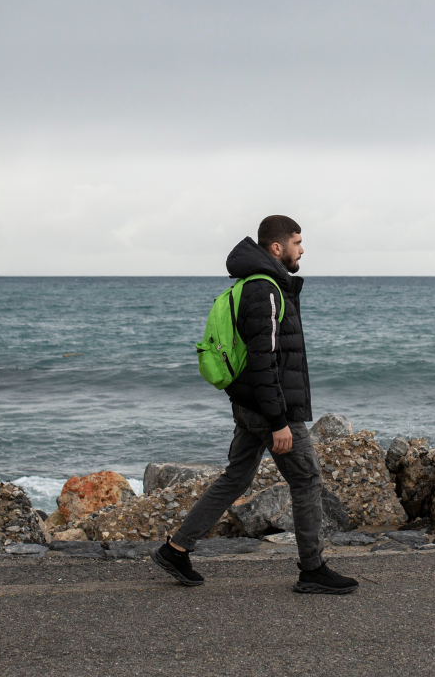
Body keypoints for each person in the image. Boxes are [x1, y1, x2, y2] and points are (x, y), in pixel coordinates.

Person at [152, 215, 359, 594]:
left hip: (251, 403)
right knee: (307, 477)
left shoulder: (259, 285)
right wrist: (279, 420)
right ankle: (312, 568)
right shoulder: (265, 290)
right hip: (269, 408)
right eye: (297, 242)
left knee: (237, 476)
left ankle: (176, 548)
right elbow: (265, 362)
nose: (302, 249)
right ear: (276, 248)